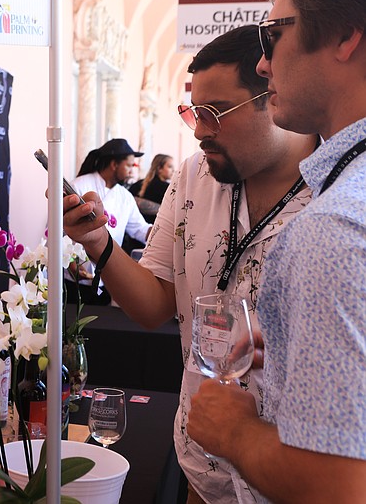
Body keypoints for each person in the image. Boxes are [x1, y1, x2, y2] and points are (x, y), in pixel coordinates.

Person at [62, 25, 318, 503]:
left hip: (295, 478)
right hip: (203, 466)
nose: (199, 130)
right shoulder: (195, 176)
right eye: (193, 112)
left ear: (273, 97)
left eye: (215, 113)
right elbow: (155, 304)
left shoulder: (334, 197)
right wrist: (98, 243)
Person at [187, 0, 366, 501]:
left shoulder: (333, 228)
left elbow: (338, 487)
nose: (264, 63)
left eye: (273, 35)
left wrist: (236, 430)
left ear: (345, 36)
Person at [69, 138, 152, 304]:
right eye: (128, 165)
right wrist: (71, 263)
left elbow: (140, 229)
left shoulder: (125, 196)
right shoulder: (80, 186)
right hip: (75, 280)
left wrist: (166, 234)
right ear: (114, 164)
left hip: (108, 279)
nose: (131, 171)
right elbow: (60, 231)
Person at [128, 153, 174, 223]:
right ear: (159, 169)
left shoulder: (138, 184)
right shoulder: (167, 188)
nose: (173, 170)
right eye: (170, 167)